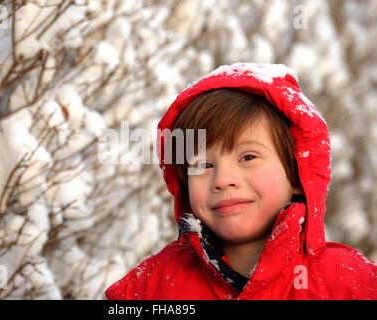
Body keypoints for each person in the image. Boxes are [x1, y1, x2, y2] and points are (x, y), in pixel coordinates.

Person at [105, 63, 377, 299]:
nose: (223, 180)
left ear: (296, 175)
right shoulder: (151, 287)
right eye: (203, 165)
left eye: (248, 157)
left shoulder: (353, 284)